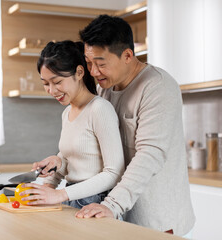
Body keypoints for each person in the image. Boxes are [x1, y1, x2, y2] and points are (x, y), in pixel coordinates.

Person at [73, 15, 195, 236]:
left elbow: (150, 154)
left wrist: (112, 205)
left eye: (100, 64)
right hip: (119, 214)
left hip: (157, 218)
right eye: (89, 62)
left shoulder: (158, 86)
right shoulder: (104, 88)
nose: (93, 71)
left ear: (128, 55)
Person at [20, 40, 125, 209]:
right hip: (72, 198)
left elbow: (114, 173)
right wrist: (47, 186)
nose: (52, 91)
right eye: (46, 84)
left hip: (96, 202)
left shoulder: (100, 109)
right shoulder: (67, 112)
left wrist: (59, 194)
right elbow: (72, 158)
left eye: (57, 82)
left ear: (79, 72)